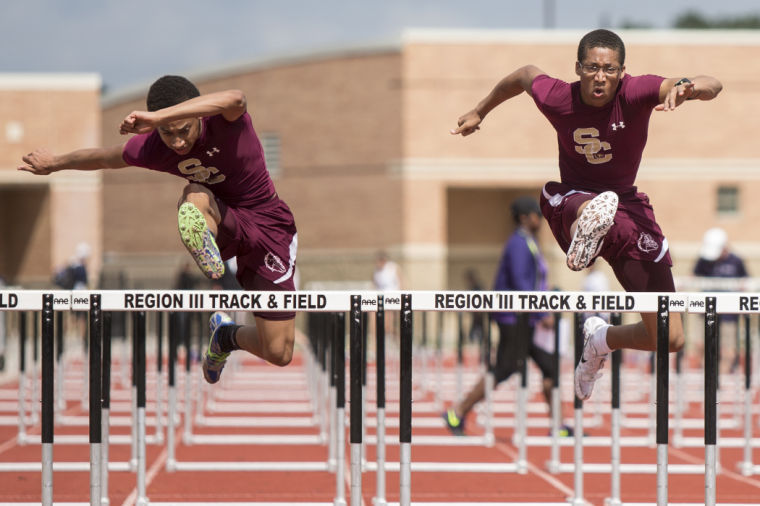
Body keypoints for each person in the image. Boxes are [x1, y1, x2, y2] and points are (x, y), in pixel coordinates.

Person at [451, 29, 722, 400]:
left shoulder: (637, 91)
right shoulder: (557, 95)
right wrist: (479, 111)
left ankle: (600, 339)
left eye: (609, 70)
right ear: (578, 68)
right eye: (592, 68)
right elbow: (523, 75)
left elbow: (714, 85)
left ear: (622, 72)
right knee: (573, 200)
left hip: (629, 210)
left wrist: (689, 87)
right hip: (572, 198)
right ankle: (587, 229)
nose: (600, 77)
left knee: (670, 337)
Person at [19, 75, 298, 384]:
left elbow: (237, 97)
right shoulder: (152, 147)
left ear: (197, 116)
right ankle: (202, 241)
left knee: (279, 352)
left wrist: (157, 119)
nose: (177, 142)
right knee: (194, 194)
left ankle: (225, 335)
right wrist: (55, 162)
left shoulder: (226, 121)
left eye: (184, 130)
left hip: (268, 223)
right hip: (223, 218)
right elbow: (104, 157)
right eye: (168, 134)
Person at [444, 197, 570, 435]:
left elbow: (534, 281)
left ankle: (559, 426)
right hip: (513, 318)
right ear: (524, 217)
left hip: (526, 318)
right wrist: (543, 312)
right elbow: (521, 283)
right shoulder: (518, 244)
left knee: (548, 367)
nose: (540, 220)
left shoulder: (529, 242)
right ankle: (456, 412)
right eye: (536, 215)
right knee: (505, 368)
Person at [693, 227, 748, 372]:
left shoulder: (736, 261)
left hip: (729, 313)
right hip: (705, 310)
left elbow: (745, 281)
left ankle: (721, 382)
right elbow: (693, 277)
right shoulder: (704, 260)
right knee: (700, 344)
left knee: (727, 349)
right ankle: (707, 376)